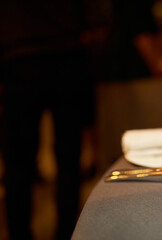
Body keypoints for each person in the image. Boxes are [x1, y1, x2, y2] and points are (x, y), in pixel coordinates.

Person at [0, 1, 109, 239]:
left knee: (18, 161)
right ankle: (67, 232)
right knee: (68, 158)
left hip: (18, 58)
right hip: (66, 55)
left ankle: (20, 233)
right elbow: (97, 14)